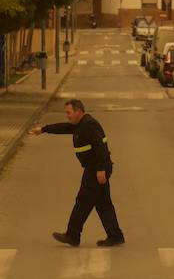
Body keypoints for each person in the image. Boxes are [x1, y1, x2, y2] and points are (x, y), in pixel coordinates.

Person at [27, 98, 125, 247]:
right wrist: (43, 129)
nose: (67, 115)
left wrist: (100, 170)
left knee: (83, 202)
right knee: (103, 203)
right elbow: (64, 128)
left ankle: (73, 235)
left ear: (78, 112)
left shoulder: (89, 125)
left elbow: (100, 148)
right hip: (95, 168)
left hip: (95, 169)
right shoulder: (81, 124)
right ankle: (115, 235)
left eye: (69, 112)